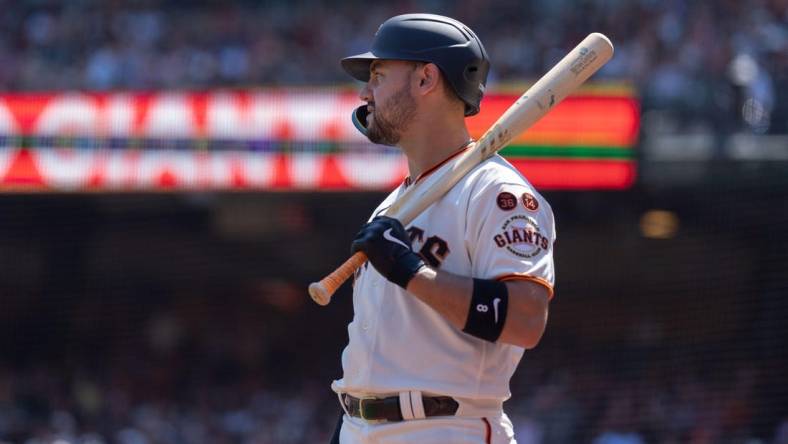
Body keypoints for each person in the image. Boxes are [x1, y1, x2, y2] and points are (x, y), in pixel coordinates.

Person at [330, 13, 556, 444]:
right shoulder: (392, 204)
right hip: (359, 428)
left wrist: (413, 272)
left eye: (378, 74)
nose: (365, 92)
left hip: (448, 427)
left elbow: (526, 320)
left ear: (425, 79)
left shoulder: (495, 191)